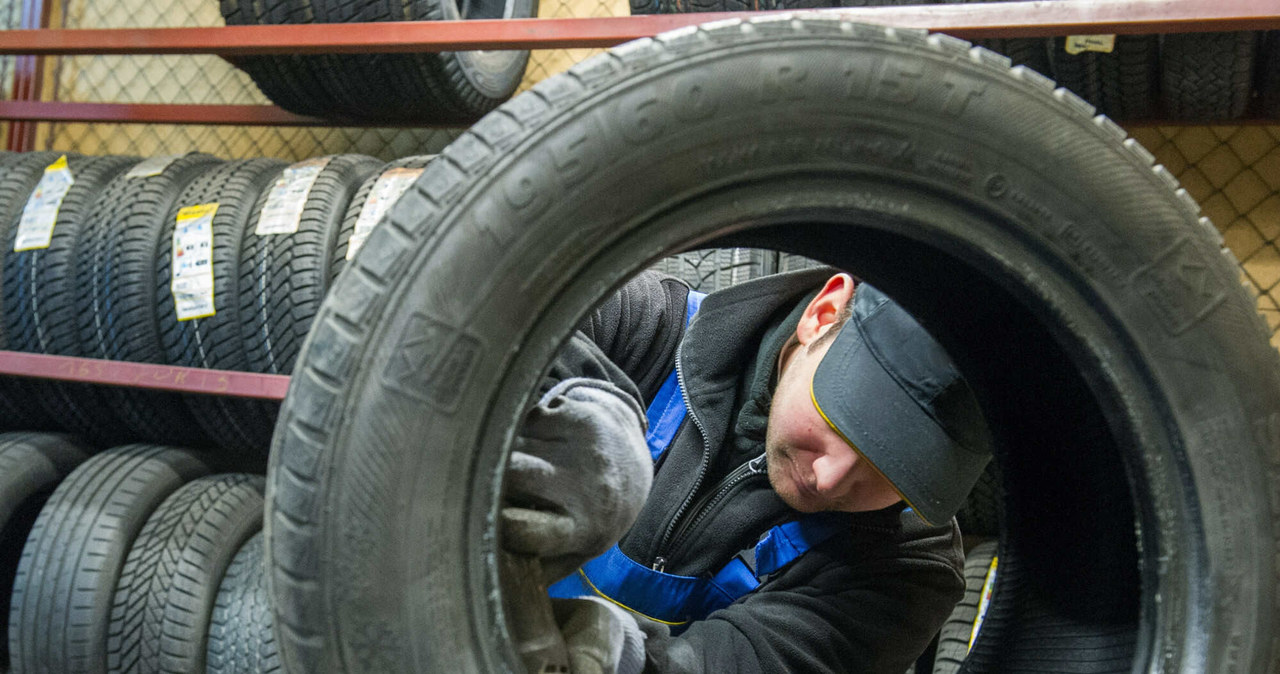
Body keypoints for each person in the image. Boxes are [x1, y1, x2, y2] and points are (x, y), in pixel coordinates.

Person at [502, 267, 994, 674]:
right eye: (843, 421)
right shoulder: (638, 324)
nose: (830, 478)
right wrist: (560, 430)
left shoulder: (907, 568)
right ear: (821, 316)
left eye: (895, 470)